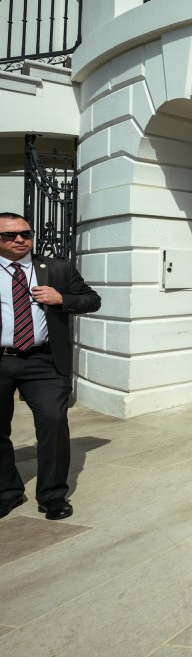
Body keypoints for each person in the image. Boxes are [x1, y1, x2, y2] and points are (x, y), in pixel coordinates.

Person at [0, 212, 101, 521]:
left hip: (44, 359)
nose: (20, 239)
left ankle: (53, 495)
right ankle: (7, 492)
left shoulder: (56, 268)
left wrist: (62, 298)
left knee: (55, 422)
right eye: (9, 235)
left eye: (25, 233)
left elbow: (92, 300)